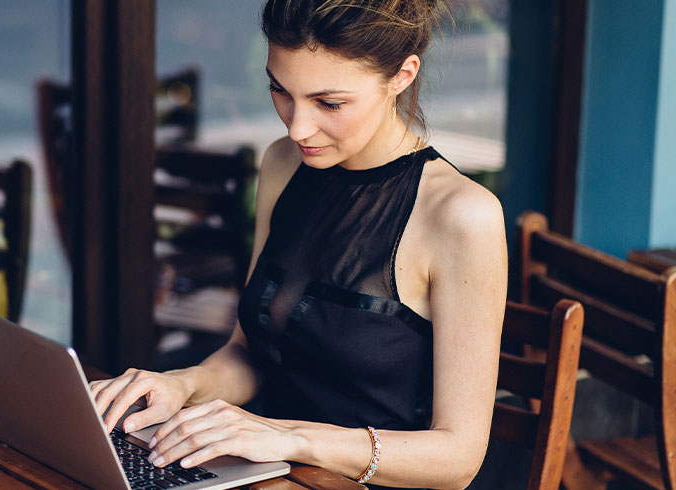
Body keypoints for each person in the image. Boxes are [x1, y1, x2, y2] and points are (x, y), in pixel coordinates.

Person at [91, 1, 507, 488]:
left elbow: (459, 459)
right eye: (280, 90)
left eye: (329, 104)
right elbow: (251, 353)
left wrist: (289, 438)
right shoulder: (285, 164)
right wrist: (182, 385)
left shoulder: (460, 215)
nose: (297, 127)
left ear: (402, 75)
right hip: (273, 474)